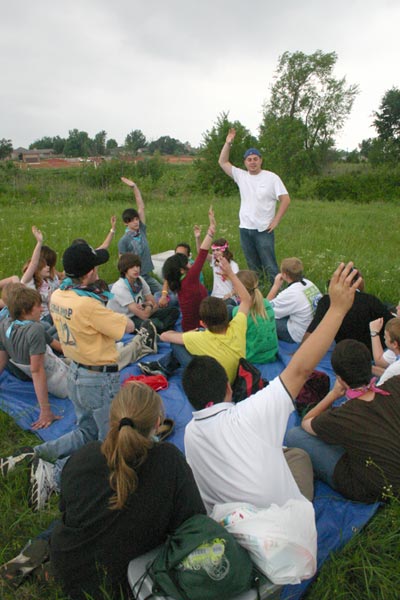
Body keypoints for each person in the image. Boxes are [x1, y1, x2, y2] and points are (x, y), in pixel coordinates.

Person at [181, 262, 362, 513]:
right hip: (286, 529)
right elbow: (300, 369)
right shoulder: (252, 412)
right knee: (296, 452)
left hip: (234, 523)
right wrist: (338, 309)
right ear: (229, 387)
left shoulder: (189, 434)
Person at [1, 383, 206, 598]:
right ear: (157, 423)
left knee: (78, 518)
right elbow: (192, 520)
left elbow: (68, 511)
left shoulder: (84, 457)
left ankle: (40, 550)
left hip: (70, 564)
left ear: (111, 420)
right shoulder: (169, 460)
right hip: (125, 580)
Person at [0, 242, 147, 511]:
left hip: (75, 373)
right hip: (99, 378)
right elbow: (125, 326)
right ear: (90, 272)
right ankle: (56, 474)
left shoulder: (58, 295)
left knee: (85, 430)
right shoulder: (89, 306)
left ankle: (36, 454)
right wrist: (101, 303)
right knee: (108, 441)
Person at [286, 339, 400, 503]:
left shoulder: (342, 416)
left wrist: (332, 395)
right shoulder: (395, 384)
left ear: (340, 378)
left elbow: (307, 421)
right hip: (388, 466)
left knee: (295, 435)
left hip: (373, 488)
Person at [139, 257, 251, 384]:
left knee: (177, 344)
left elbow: (165, 336)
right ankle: (162, 366)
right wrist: (231, 274)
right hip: (233, 377)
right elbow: (246, 299)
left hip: (211, 385)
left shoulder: (198, 338)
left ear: (203, 323)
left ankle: (163, 367)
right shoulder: (238, 327)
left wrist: (192, 332)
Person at [218, 128, 290, 284]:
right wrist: (228, 142)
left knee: (270, 265)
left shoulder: (271, 178)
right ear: (245, 162)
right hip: (245, 229)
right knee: (253, 267)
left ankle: (276, 293)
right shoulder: (241, 176)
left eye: (255, 159)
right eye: (249, 159)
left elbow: (285, 199)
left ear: (260, 160)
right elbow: (223, 162)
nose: (252, 162)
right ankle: (259, 293)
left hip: (264, 229)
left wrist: (276, 221)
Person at [0, 285, 67, 429]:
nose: (42, 309)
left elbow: (2, 359)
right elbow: (37, 371)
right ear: (25, 311)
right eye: (38, 306)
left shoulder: (5, 324)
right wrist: (45, 411)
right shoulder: (35, 330)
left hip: (54, 365)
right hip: (60, 381)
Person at [303, 273, 393, 356]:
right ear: (355, 282)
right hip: (372, 353)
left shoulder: (326, 301)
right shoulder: (370, 300)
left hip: (346, 353)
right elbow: (392, 324)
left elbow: (312, 330)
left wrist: (300, 352)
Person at [161, 207, 216, 332]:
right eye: (187, 263)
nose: (191, 264)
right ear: (182, 270)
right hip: (199, 330)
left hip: (187, 328)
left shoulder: (178, 283)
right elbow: (202, 253)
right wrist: (211, 229)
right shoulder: (190, 278)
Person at [107, 253, 179, 333]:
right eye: (132, 267)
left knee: (174, 311)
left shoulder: (139, 280)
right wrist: (149, 305)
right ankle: (162, 329)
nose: (136, 269)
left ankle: (161, 329)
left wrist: (149, 306)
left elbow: (154, 303)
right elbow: (144, 315)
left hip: (142, 312)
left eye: (137, 266)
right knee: (155, 324)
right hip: (127, 319)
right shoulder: (120, 287)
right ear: (124, 269)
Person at [118, 177, 162, 294]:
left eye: (137, 219)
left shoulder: (141, 230)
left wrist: (135, 187)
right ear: (126, 223)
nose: (136, 222)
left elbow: (141, 207)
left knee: (163, 293)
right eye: (132, 220)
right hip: (133, 278)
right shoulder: (124, 240)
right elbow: (121, 262)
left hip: (146, 275)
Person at [266, 257, 322, 343]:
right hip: (315, 329)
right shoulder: (309, 283)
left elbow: (265, 309)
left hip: (300, 335)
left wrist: (275, 286)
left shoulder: (290, 294)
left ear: (284, 275)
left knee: (263, 319)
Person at [232, 270, 278, 364]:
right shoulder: (266, 303)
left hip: (252, 358)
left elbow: (235, 339)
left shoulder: (238, 311)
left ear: (238, 289)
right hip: (271, 354)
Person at [21, 226, 54, 325]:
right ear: (37, 269)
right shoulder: (27, 281)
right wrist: (39, 243)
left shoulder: (44, 282)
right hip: (40, 320)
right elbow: (34, 263)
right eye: (44, 266)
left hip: (49, 316)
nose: (48, 267)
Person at [369, 317, 400, 384]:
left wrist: (374, 333)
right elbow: (387, 373)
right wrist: (367, 367)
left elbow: (379, 390)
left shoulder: (394, 368)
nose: (384, 337)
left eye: (386, 337)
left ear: (394, 344)